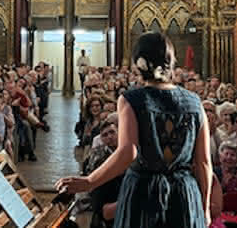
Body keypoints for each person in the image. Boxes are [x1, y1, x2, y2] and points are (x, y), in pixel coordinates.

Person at [56, 32, 212, 227]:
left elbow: (128, 151)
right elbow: (204, 162)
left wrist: (89, 181)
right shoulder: (195, 103)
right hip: (184, 194)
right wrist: (204, 208)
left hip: (144, 193)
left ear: (139, 64)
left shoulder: (132, 99)